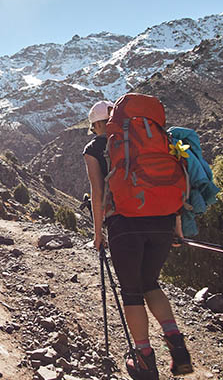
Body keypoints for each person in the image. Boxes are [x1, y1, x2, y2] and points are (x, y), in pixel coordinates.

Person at [83, 99, 193, 379]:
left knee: (132, 292)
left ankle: (144, 359)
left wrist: (98, 233)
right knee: (150, 283)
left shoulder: (96, 147)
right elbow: (172, 183)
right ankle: (177, 344)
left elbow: (97, 193)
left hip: (125, 224)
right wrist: (177, 228)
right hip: (164, 220)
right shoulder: (152, 138)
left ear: (96, 124)